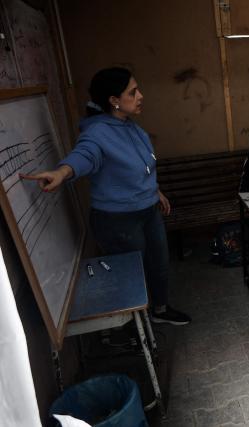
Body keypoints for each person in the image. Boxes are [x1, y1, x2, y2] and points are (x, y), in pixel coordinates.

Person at [20, 67, 190, 325]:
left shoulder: (129, 126)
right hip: (118, 220)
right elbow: (85, 155)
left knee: (159, 264)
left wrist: (155, 191)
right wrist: (62, 172)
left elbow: (139, 166)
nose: (140, 95)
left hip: (147, 211)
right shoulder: (97, 132)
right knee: (133, 277)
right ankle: (137, 327)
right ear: (114, 101)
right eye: (133, 92)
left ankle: (160, 311)